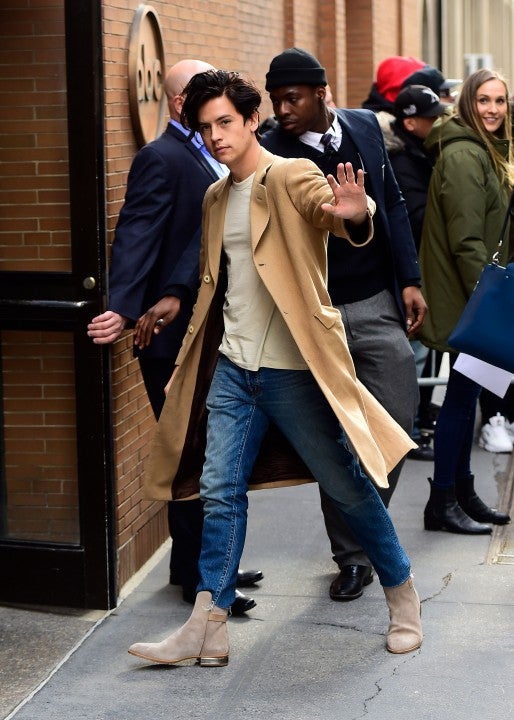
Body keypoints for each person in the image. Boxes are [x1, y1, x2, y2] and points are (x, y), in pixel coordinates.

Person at [127, 69, 423, 666]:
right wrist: (182, 339)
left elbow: (330, 211)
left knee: (347, 485)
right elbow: (215, 285)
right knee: (218, 492)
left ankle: (402, 595)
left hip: (292, 371)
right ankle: (207, 627)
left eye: (225, 122)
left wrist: (355, 212)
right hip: (234, 369)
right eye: (205, 127)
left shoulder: (290, 174)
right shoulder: (216, 197)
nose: (215, 136)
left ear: (250, 120)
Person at [87, 59, 261, 615]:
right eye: (200, 96)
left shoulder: (213, 154)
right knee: (192, 453)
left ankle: (202, 563)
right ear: (181, 101)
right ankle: (201, 577)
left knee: (209, 450)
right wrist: (121, 307)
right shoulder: (160, 157)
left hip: (210, 327)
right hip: (167, 336)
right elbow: (137, 230)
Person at [260, 48, 426, 603]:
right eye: (275, 100)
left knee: (397, 424)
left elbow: (393, 204)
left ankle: (369, 531)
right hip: (319, 316)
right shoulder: (271, 151)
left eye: (292, 98)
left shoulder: (364, 127)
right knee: (340, 442)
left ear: (322, 92)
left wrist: (410, 279)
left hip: (377, 304)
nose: (282, 110)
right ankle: (353, 556)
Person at [419, 68, 514, 532]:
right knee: (459, 401)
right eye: (483, 100)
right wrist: (493, 305)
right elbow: (467, 243)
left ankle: (461, 492)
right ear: (467, 104)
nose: (493, 109)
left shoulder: (486, 149)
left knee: (467, 396)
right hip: (471, 299)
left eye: (500, 100)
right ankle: (442, 500)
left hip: (478, 296)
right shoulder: (463, 155)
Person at [385, 85, 448, 461]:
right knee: (413, 354)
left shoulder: (421, 153)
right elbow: (416, 220)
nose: (438, 123)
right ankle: (405, 432)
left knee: (422, 352)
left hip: (418, 270)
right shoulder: (402, 161)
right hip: (408, 273)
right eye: (431, 117)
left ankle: (418, 420)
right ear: (410, 122)